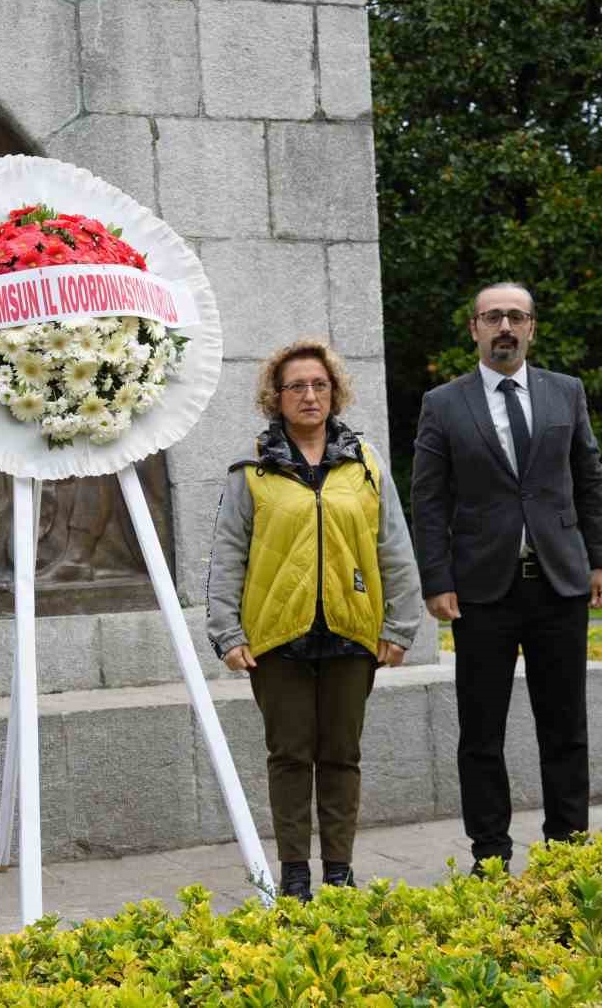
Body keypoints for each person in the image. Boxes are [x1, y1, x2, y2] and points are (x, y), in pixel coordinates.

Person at [410, 283, 602, 875]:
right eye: (492, 316)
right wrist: (436, 579)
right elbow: (429, 501)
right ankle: (491, 856)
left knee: (566, 725)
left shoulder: (566, 394)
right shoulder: (443, 404)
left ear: (532, 327)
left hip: (560, 585)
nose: (505, 326)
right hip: (481, 591)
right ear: (474, 328)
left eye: (516, 317)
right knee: (481, 731)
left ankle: (569, 850)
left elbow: (589, 479)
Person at [206, 339, 423, 902]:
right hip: (278, 638)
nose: (309, 395)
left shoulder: (366, 465)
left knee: (341, 756)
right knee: (289, 756)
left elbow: (393, 545)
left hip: (352, 632)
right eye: (297, 386)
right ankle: (296, 871)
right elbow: (228, 552)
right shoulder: (252, 469)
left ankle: (340, 870)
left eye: (319, 385)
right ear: (275, 398)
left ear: (335, 393)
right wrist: (228, 632)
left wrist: (399, 626)